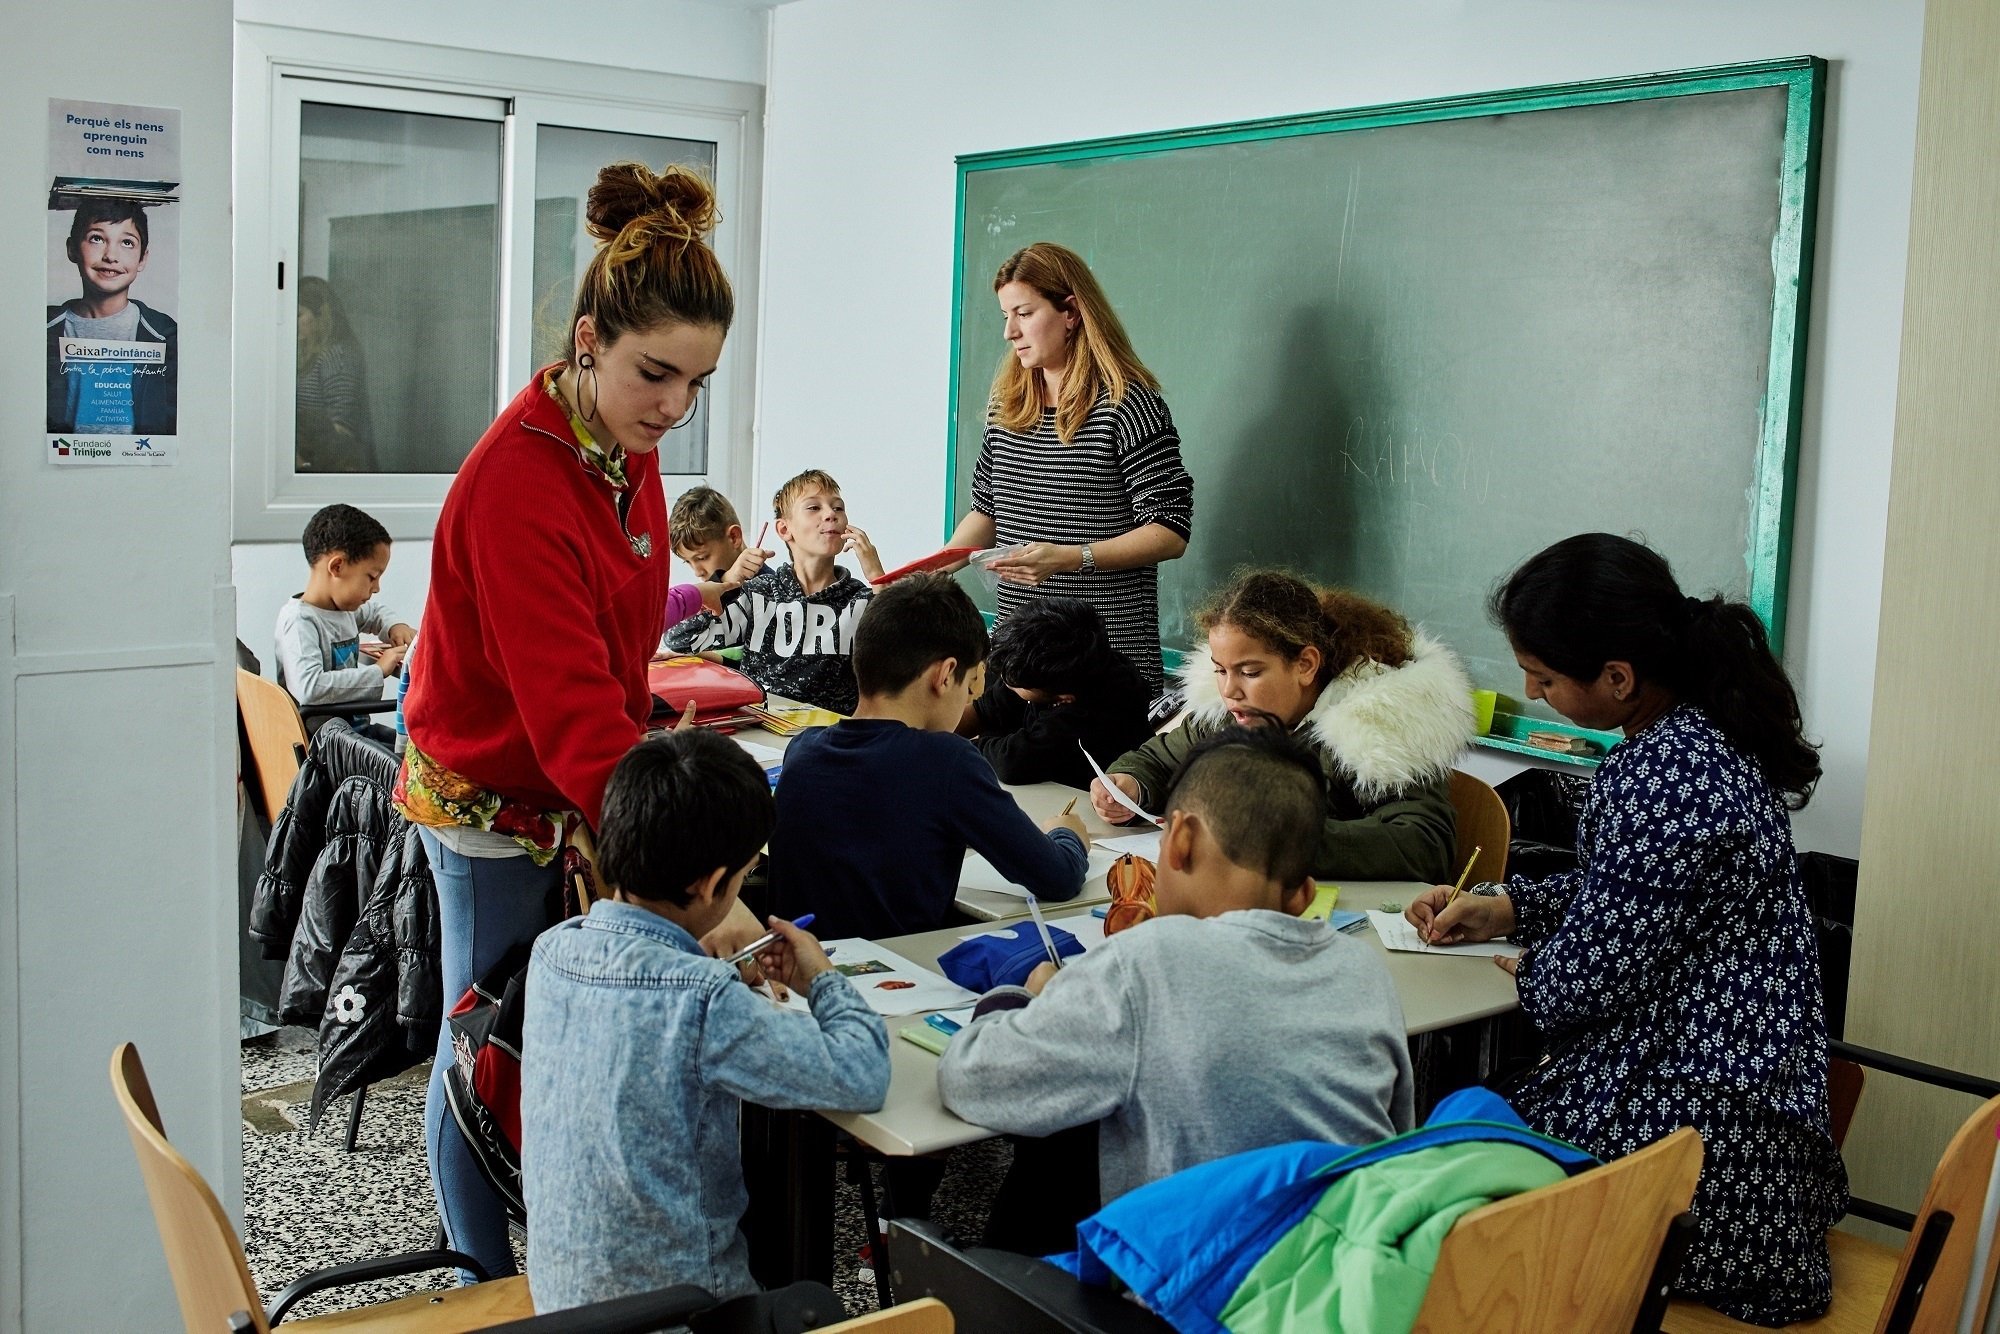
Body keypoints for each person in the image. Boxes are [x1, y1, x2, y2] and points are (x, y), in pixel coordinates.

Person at [395, 160, 771, 1282]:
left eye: (697, 382)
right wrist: (721, 897)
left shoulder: (624, 449)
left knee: (555, 1026)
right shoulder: (519, 482)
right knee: (487, 1042)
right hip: (486, 795)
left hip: (567, 780)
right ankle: (481, 1276)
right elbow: (568, 726)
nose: (672, 407)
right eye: (656, 373)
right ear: (587, 339)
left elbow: (617, 649)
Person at [1405, 533, 1846, 1326]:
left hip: (1702, 1153)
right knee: (1464, 1142)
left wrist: (1539, 969)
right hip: (1755, 1130)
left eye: (1542, 677)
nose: (1531, 692)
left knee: (1447, 1177)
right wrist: (1511, 907)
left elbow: (1587, 981)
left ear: (1617, 679)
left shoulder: (1660, 777)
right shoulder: (1707, 740)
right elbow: (1645, 891)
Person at [938, 725, 1415, 1249]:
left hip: (1192, 1297)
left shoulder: (1150, 960)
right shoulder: (1363, 973)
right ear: (1303, 897)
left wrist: (1024, 999)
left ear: (1181, 839)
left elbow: (972, 1081)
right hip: (1342, 1283)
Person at [521, 728, 888, 1312]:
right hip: (685, 1311)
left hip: (564, 1300)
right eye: (744, 874)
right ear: (714, 883)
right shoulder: (703, 998)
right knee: (816, 1305)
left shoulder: (552, 951)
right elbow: (863, 1072)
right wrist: (819, 976)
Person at [1092, 569, 1472, 883]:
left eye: (1250, 672)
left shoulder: (1381, 727)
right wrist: (1130, 786)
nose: (1229, 690)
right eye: (1220, 670)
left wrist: (1281, 840)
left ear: (1306, 665)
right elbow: (1158, 759)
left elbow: (1425, 843)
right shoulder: (1229, 712)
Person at [769, 573, 1088, 941]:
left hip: (797, 972)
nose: (971, 700)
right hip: (897, 980)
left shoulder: (802, 749)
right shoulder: (947, 761)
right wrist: (1067, 835)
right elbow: (1057, 878)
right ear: (946, 674)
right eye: (973, 686)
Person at [943, 242, 1194, 696]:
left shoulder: (1129, 404)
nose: (1009, 332)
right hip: (1018, 661)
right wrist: (937, 566)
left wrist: (1069, 557)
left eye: (1023, 313)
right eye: (1005, 316)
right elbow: (986, 511)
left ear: (1071, 312)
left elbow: (1169, 531)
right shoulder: (1007, 406)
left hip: (1103, 665)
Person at [663, 469, 883, 714]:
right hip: (761, 733)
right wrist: (727, 580)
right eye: (813, 508)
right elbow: (678, 638)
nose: (830, 514)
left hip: (829, 740)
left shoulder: (862, 600)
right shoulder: (759, 594)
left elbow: (904, 656)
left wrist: (879, 579)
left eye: (838, 508)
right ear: (784, 529)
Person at [957, 594, 1153, 788]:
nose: (1005, 683)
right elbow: (984, 712)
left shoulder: (1098, 707)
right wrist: (930, 734)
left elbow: (1013, 762)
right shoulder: (1042, 666)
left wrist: (956, 748)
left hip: (1084, 799)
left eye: (1015, 684)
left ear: (1064, 698)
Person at [274, 503, 414, 742]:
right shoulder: (299, 622)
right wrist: (379, 671)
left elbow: (374, 613)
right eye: (371, 577)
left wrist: (394, 626)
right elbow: (310, 687)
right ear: (337, 566)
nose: (377, 588)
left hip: (355, 735)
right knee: (415, 766)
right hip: (327, 746)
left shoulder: (342, 610)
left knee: (419, 753)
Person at [45, 198, 177, 435]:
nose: (111, 256)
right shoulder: (41, 328)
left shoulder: (165, 335)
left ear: (143, 259)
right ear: (72, 248)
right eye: (97, 238)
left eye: (127, 242)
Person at [294, 276, 378, 473]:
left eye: (299, 314)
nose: (294, 321)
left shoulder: (336, 356)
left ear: (321, 314)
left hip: (337, 470)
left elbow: (342, 429)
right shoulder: (309, 354)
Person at [668, 484, 769, 585]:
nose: (698, 573)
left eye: (702, 558)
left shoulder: (769, 591)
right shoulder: (704, 595)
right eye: (687, 561)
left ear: (734, 537)